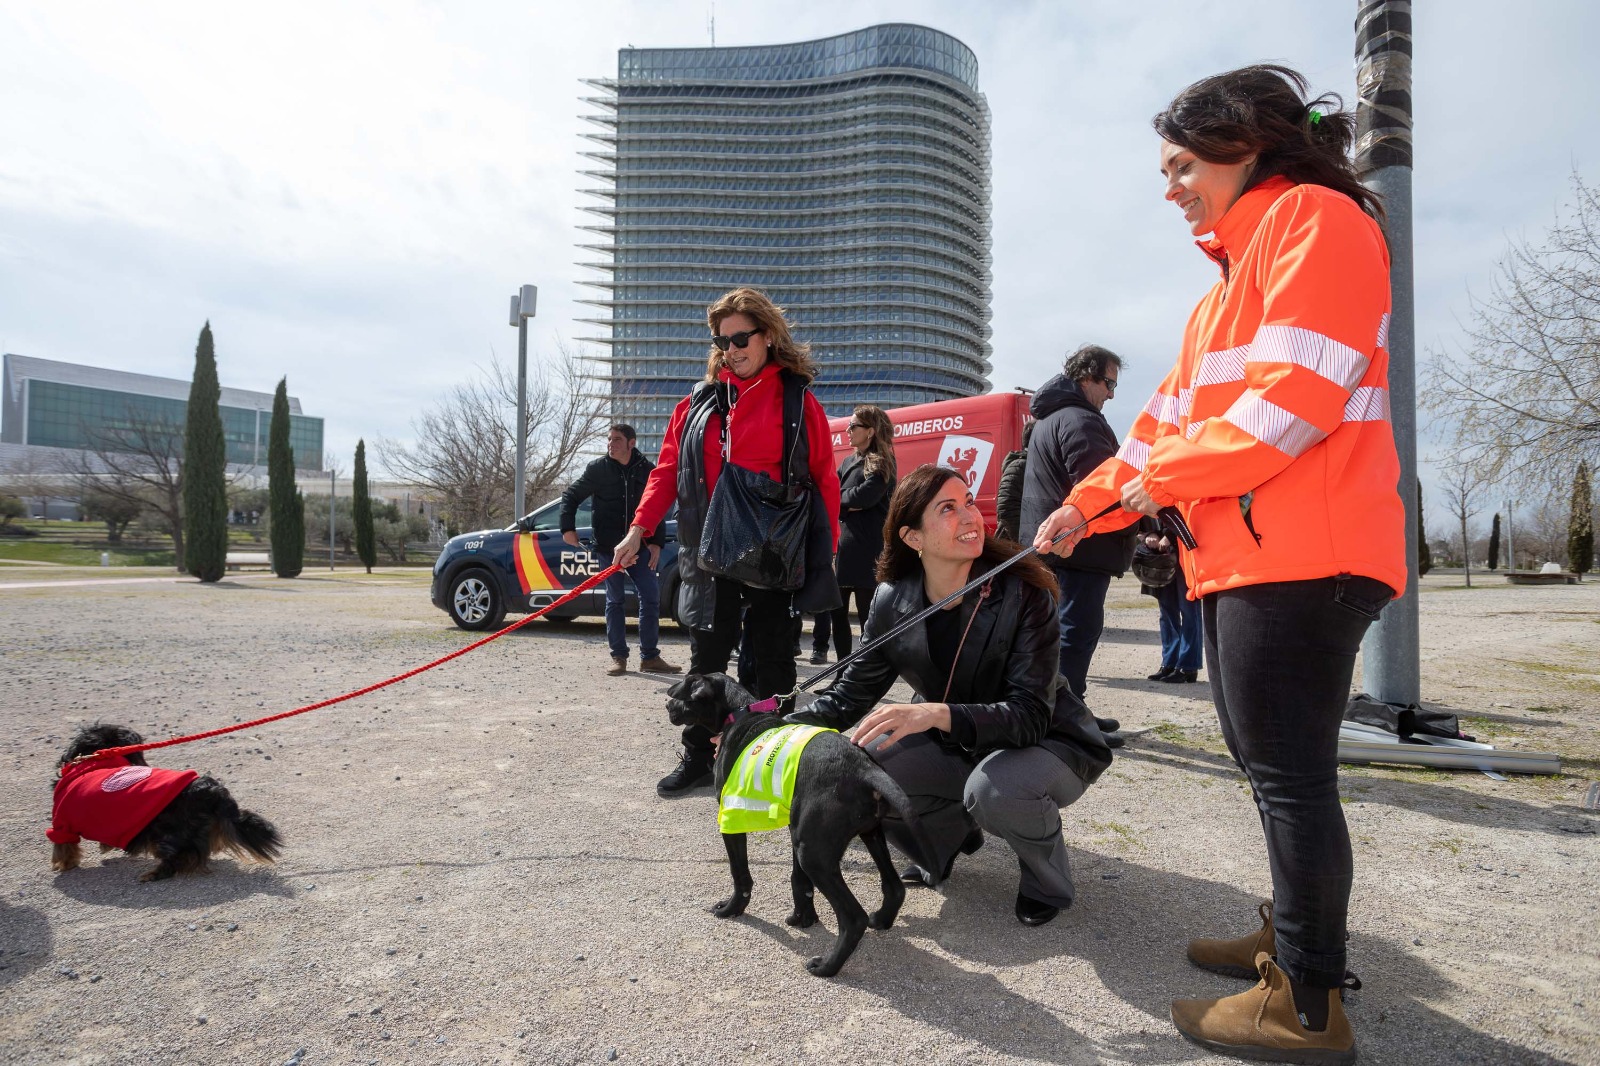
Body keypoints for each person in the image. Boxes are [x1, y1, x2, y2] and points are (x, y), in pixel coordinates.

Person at [1034, 65, 1404, 1064]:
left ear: (1243, 144)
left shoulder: (1316, 221)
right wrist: (1081, 506)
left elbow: (1287, 409)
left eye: (1182, 167)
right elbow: (1155, 433)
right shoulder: (1221, 295)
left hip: (1308, 554)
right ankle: (1291, 937)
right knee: (1266, 764)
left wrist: (1153, 487)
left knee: (1290, 776)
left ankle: (1307, 1004)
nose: (1171, 190)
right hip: (1251, 558)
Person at [790, 465, 1112, 927]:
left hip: (1050, 741)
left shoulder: (1024, 592)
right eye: (948, 508)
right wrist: (766, 730)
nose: (970, 516)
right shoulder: (891, 600)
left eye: (969, 502)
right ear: (913, 537)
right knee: (859, 768)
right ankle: (945, 841)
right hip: (960, 742)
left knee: (994, 790)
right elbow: (847, 698)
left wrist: (934, 714)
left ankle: (1047, 882)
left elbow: (1029, 716)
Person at [614, 287, 841, 796]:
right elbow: (667, 471)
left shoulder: (798, 401)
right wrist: (638, 529)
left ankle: (774, 764)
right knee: (707, 660)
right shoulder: (697, 403)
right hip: (707, 549)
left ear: (768, 335)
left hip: (771, 551)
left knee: (775, 659)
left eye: (741, 338)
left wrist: (824, 551)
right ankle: (699, 758)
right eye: (723, 340)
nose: (732, 349)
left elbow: (825, 479)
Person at [1019, 345, 1136, 743]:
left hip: (1055, 547)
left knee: (1056, 635)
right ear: (1086, 376)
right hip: (1079, 548)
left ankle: (1070, 709)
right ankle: (1065, 720)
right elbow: (1102, 488)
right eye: (1109, 383)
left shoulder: (1050, 420)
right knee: (1075, 634)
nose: (1112, 394)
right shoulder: (1081, 421)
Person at [559, 424, 679, 677]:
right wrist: (567, 528)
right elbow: (570, 496)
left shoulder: (648, 470)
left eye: (616, 440)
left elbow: (657, 506)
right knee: (615, 600)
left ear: (631, 443)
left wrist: (656, 542)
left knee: (651, 598)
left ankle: (650, 657)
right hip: (608, 548)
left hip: (641, 546)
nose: (610, 444)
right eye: (609, 439)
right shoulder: (597, 469)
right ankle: (618, 657)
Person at [810, 404, 896, 665]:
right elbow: (830, 495)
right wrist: (846, 503)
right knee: (837, 614)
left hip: (868, 549)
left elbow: (865, 497)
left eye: (853, 426)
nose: (848, 430)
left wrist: (843, 501)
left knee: (867, 616)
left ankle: (863, 673)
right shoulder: (848, 461)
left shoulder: (883, 463)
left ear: (870, 431)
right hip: (844, 547)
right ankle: (842, 672)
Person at [1136, 521, 1203, 683]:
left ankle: (1188, 666)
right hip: (1161, 553)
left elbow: (1189, 515)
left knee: (1189, 610)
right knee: (1167, 611)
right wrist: (1149, 534)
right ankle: (1170, 662)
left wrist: (1170, 535)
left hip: (1186, 549)